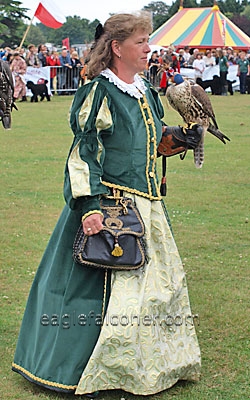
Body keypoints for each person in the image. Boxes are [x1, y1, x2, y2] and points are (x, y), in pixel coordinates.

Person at [12, 12, 201, 396]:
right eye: (140, 42)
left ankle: (148, 364)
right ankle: (84, 370)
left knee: (157, 291)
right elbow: (85, 152)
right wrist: (90, 206)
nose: (149, 48)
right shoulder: (100, 90)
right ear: (117, 48)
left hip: (147, 206)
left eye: (148, 40)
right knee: (104, 294)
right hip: (110, 206)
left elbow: (149, 139)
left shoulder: (145, 91)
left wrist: (179, 138)